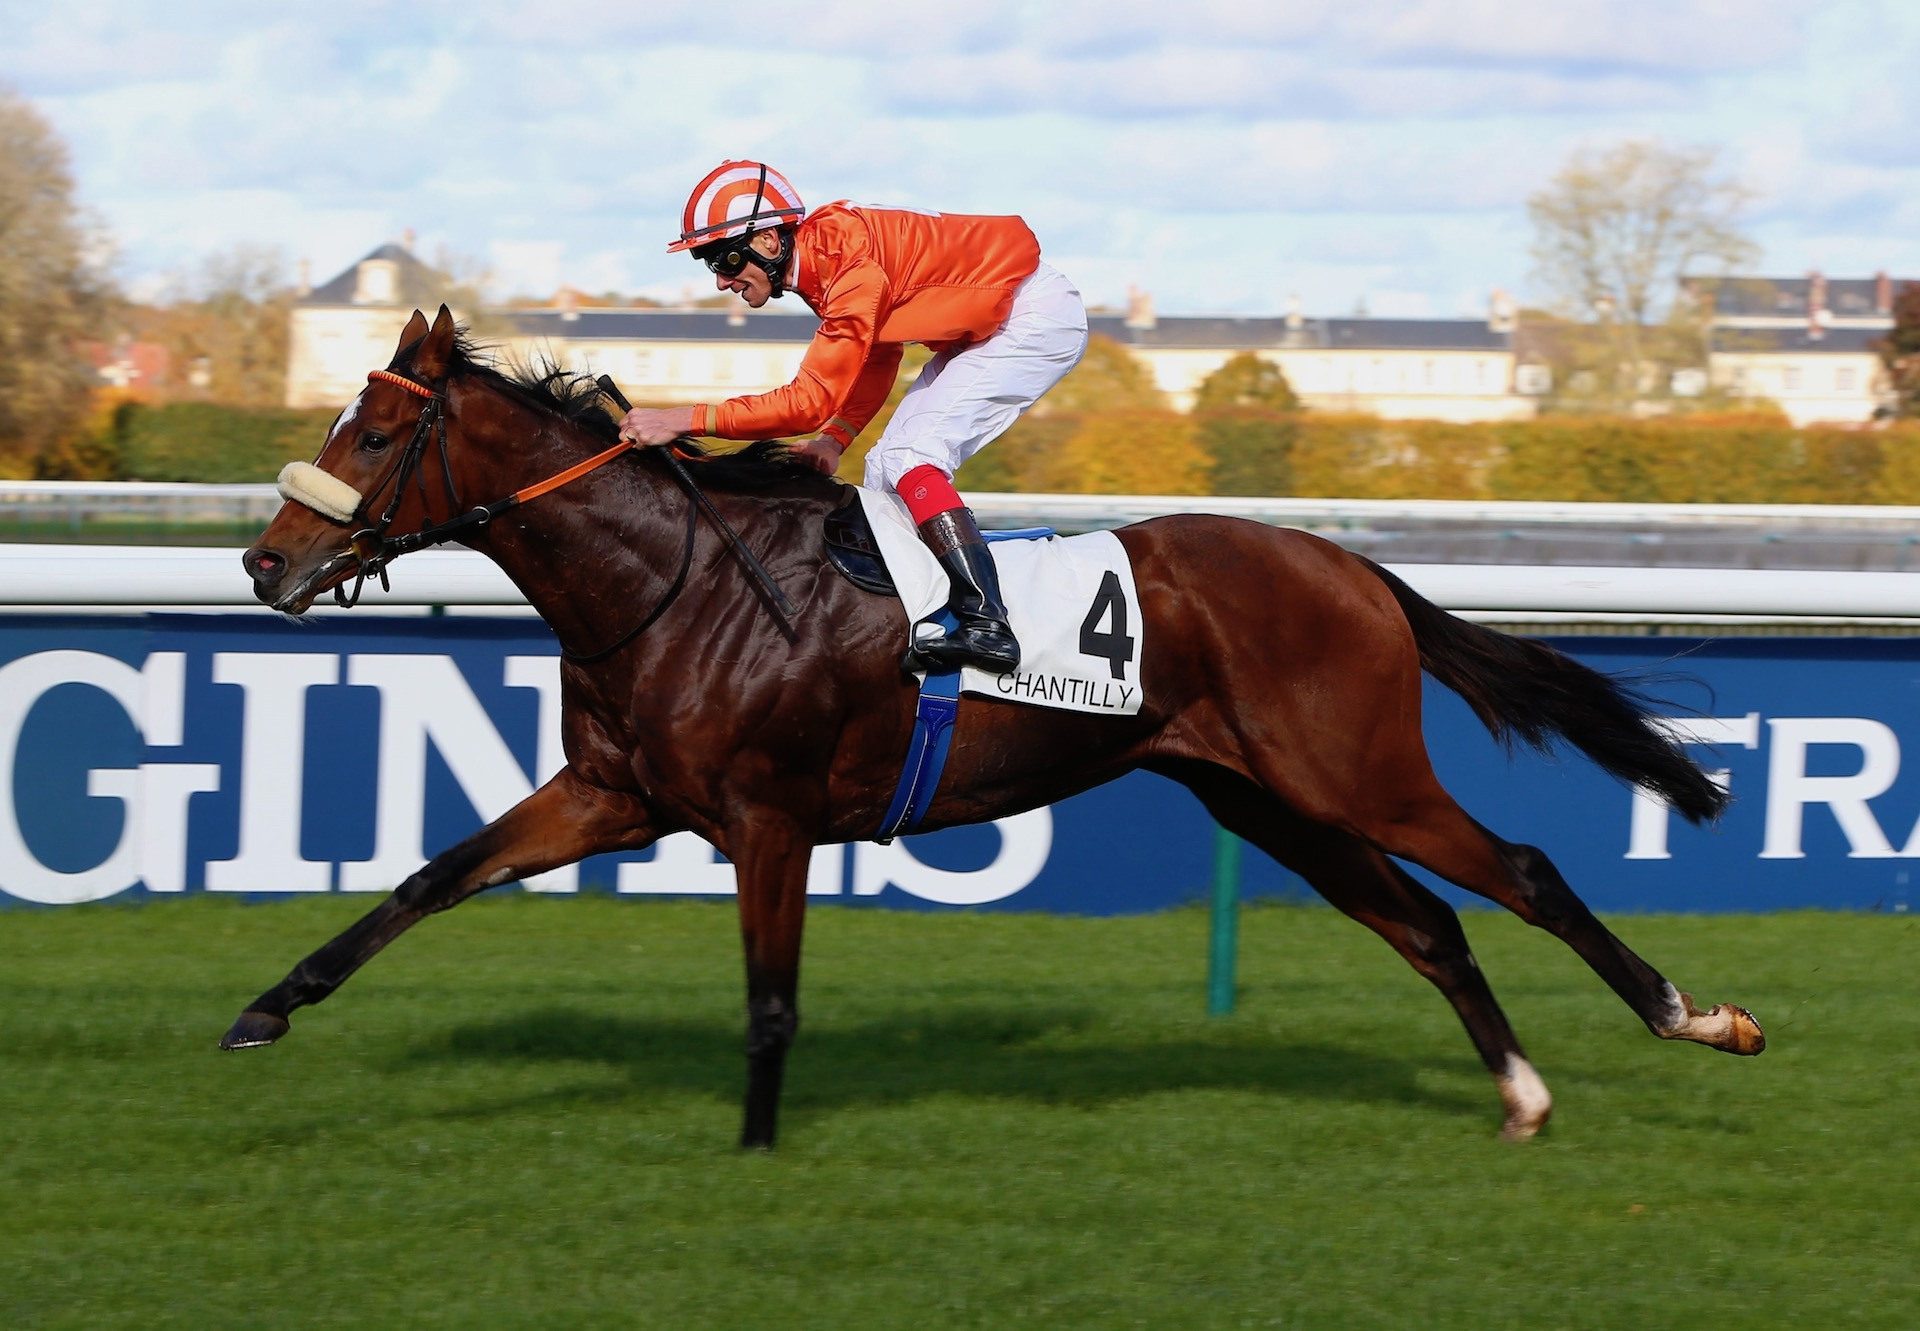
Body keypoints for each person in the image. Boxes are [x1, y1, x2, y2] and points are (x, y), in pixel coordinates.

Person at [616, 160, 1088, 674]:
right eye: (710, 266)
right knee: (884, 470)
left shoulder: (847, 263)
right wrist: (836, 439)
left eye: (726, 260)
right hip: (993, 322)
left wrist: (682, 419)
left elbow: (805, 402)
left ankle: (987, 624)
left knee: (912, 455)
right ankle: (924, 613)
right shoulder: (824, 259)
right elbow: (880, 353)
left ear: (771, 242)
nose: (724, 281)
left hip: (1031, 316)